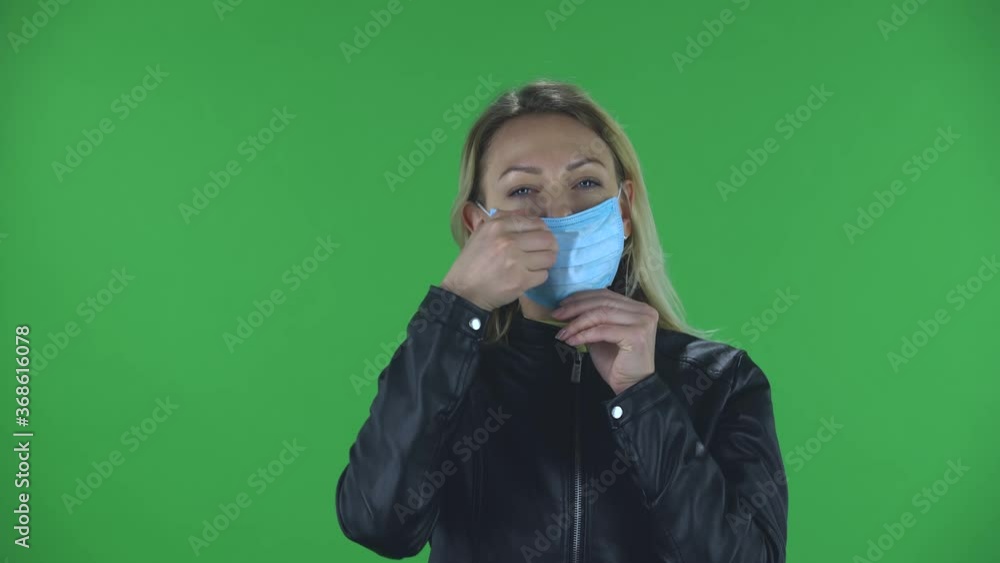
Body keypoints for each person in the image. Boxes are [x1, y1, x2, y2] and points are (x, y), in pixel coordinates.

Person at [336, 79, 788, 562]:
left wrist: (642, 397)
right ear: (479, 225)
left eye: (585, 183)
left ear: (624, 209)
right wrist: (456, 304)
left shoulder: (721, 381)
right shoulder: (449, 372)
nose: (561, 212)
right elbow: (377, 522)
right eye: (523, 189)